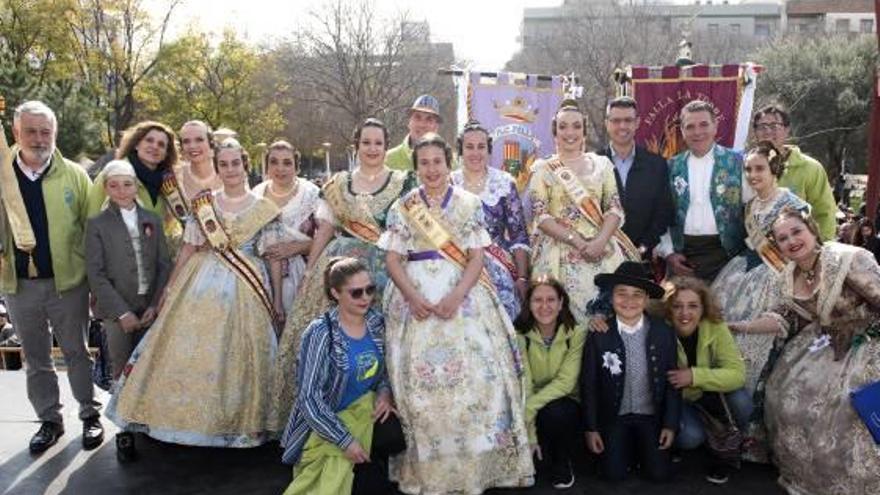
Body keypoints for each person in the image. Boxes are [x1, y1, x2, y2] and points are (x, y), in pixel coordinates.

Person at [381, 133, 533, 493]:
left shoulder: (469, 204)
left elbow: (476, 255)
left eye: (437, 162)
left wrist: (457, 296)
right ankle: (427, 469)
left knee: (477, 379)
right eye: (424, 163)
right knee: (419, 387)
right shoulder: (403, 206)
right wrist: (412, 296)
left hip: (464, 298)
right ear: (416, 168)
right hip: (414, 300)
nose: (431, 169)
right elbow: (392, 258)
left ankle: (476, 468)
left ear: (449, 164)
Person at [105, 138, 282, 449]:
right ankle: (182, 421)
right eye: (223, 164)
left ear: (246, 165)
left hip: (247, 288)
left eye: (235, 163)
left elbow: (274, 258)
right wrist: (170, 289)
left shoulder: (264, 208)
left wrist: (278, 299)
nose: (230, 170)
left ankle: (239, 425)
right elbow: (187, 249)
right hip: (199, 282)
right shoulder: (204, 204)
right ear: (217, 167)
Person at [270, 118, 416, 433]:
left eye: (378, 142)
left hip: (384, 270)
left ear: (385, 146)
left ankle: (385, 414)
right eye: (366, 142)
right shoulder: (337, 184)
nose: (373, 148)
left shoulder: (403, 181)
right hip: (338, 268)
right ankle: (321, 419)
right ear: (356, 146)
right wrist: (311, 270)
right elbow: (325, 228)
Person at [728, 208, 880, 494]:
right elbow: (782, 317)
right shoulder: (789, 276)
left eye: (797, 231)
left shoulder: (846, 258)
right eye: (782, 238)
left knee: (848, 408)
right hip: (822, 343)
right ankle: (812, 476)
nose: (791, 241)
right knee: (783, 396)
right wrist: (741, 326)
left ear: (812, 229)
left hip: (866, 341)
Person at [0, 100, 101, 454]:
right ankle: (49, 421)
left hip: (68, 284)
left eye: (46, 132)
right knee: (36, 357)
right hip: (19, 285)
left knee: (77, 352)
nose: (39, 139)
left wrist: (95, 284)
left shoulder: (74, 174)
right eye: (31, 131)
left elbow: (92, 232)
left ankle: (90, 416)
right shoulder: (2, 174)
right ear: (16, 132)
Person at [280, 257, 405, 495]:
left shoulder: (377, 323)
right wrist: (344, 440)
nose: (366, 298)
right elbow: (309, 398)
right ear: (335, 293)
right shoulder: (319, 333)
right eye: (356, 293)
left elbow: (385, 371)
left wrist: (385, 393)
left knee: (395, 434)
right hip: (327, 424)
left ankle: (369, 464)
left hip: (364, 414)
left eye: (370, 289)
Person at [84, 159, 172, 462]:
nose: (121, 190)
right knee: (122, 367)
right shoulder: (97, 224)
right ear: (106, 188)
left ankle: (147, 421)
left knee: (149, 365)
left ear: (136, 187)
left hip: (149, 308)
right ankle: (123, 428)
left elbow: (164, 264)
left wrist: (155, 304)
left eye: (127, 184)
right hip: (116, 311)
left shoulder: (151, 219)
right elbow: (95, 273)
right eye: (114, 185)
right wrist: (122, 312)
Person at [709, 141, 807, 392]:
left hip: (777, 279)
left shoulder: (791, 203)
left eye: (759, 169)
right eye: (748, 169)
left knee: (762, 345)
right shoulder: (751, 205)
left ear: (774, 168)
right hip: (743, 272)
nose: (753, 175)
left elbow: (803, 249)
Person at [528, 99, 632, 324]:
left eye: (576, 126)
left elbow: (614, 207)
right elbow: (542, 216)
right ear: (555, 133)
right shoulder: (543, 170)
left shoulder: (602, 165)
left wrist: (600, 241)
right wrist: (578, 242)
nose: (570, 132)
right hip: (559, 252)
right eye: (563, 126)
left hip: (602, 248)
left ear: (584, 131)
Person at [581, 261, 680, 482]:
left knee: (659, 474)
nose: (629, 301)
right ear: (611, 296)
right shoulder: (599, 334)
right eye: (621, 293)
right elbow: (589, 385)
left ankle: (641, 448)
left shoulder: (663, 332)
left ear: (646, 299)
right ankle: (625, 447)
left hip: (650, 416)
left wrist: (670, 424)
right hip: (615, 417)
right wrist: (591, 428)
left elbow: (673, 382)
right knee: (613, 475)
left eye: (637, 295)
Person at [665, 276, 750, 485]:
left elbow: (737, 374)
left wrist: (695, 375)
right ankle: (688, 439)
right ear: (668, 309)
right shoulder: (659, 328)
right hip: (679, 400)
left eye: (693, 306)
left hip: (710, 394)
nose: (685, 314)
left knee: (742, 401)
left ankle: (727, 447)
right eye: (678, 306)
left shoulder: (715, 327)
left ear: (703, 308)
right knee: (691, 437)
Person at [660, 100, 750, 283]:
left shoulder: (738, 163)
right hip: (683, 257)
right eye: (690, 126)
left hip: (727, 255)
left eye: (703, 124)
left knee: (722, 311)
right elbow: (660, 216)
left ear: (715, 126)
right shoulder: (671, 167)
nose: (697, 132)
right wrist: (669, 253)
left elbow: (752, 208)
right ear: (683, 131)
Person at [451, 120, 530, 320]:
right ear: (460, 150)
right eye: (469, 147)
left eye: (481, 147)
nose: (475, 153)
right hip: (457, 266)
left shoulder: (504, 182)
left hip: (498, 268)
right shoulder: (449, 183)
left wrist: (521, 277)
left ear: (489, 150)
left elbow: (518, 233)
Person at [513, 276, 586, 490]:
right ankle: (539, 448)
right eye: (537, 300)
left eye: (551, 299)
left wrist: (528, 410)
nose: (544, 306)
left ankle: (562, 460)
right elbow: (525, 383)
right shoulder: (520, 336)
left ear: (561, 303)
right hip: (533, 406)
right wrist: (530, 435)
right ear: (529, 304)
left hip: (565, 405)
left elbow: (566, 382)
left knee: (556, 411)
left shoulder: (577, 333)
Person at [599, 96, 673, 261]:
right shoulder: (592, 163)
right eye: (616, 120)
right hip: (600, 256)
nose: (622, 126)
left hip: (642, 259)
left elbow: (663, 213)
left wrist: (643, 248)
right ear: (607, 123)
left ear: (637, 122)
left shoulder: (656, 165)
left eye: (628, 120)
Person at [254, 140, 320, 314]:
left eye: (287, 163)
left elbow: (330, 240)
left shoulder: (312, 194)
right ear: (267, 167)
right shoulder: (256, 195)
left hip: (306, 276)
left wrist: (298, 247)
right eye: (274, 162)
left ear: (297, 168)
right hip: (263, 277)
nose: (280, 168)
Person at [752, 104, 836, 241]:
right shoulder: (745, 167)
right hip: (757, 250)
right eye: (761, 127)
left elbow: (824, 214)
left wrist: (821, 247)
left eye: (774, 126)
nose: (767, 132)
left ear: (787, 130)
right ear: (755, 132)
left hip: (798, 250)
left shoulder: (810, 168)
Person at [86, 121, 182, 240]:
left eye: (161, 144)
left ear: (166, 154)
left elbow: (169, 229)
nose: (155, 146)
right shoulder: (111, 174)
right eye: (149, 140)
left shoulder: (169, 187)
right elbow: (92, 221)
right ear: (136, 144)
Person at [385, 94, 442, 171]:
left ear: (436, 127)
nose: (422, 124)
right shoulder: (388, 160)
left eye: (429, 119)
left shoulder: (450, 163)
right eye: (417, 117)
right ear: (409, 122)